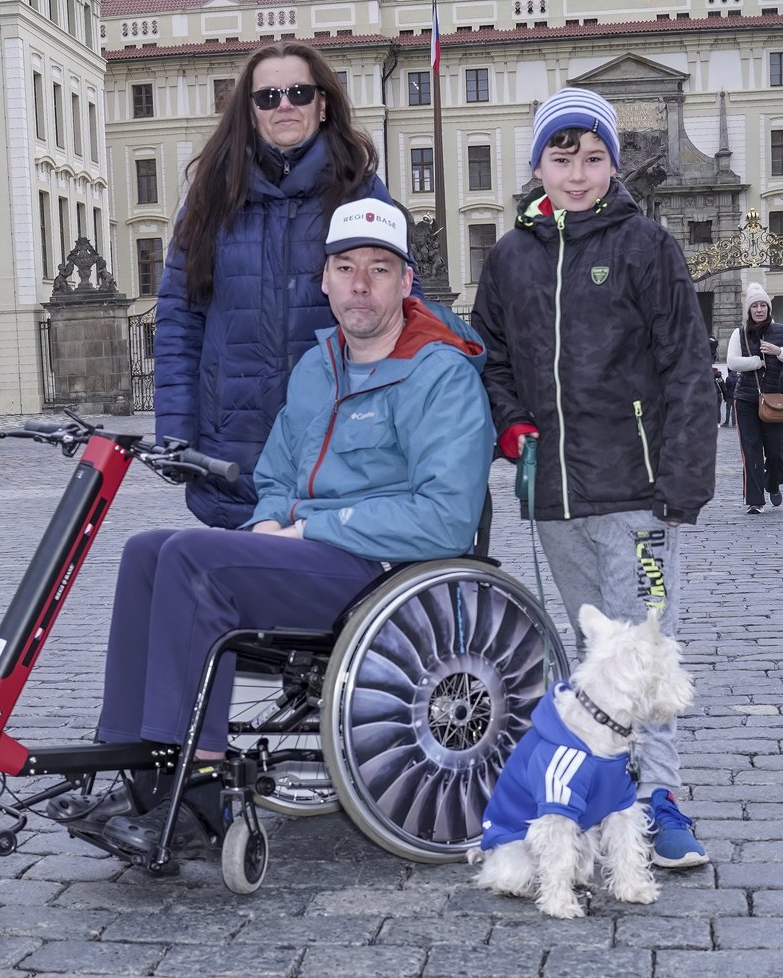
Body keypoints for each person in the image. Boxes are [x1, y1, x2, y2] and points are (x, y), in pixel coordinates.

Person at [50, 199, 495, 853]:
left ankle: (194, 796)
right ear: (325, 280)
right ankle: (135, 766)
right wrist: (266, 524)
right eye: (346, 267)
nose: (360, 284)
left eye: (379, 268)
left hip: (389, 573)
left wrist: (312, 529)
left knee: (194, 561)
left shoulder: (441, 374)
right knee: (148, 551)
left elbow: (447, 519)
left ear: (405, 282)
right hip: (314, 558)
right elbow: (279, 475)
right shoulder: (319, 367)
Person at [471, 87, 717, 869]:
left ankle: (661, 799)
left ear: (614, 163)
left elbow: (687, 363)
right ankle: (586, 798)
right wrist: (511, 424)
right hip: (556, 501)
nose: (577, 175)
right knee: (581, 663)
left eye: (593, 158)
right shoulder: (510, 256)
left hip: (638, 498)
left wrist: (683, 483)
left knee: (644, 647)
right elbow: (491, 356)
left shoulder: (647, 245)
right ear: (538, 162)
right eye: (562, 157)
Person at [154, 41, 411, 531]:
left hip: (334, 438)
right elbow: (178, 320)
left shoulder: (361, 191)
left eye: (297, 91)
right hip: (233, 438)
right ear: (250, 113)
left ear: (323, 103)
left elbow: (401, 306)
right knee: (241, 594)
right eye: (267, 97)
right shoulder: (211, 198)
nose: (284, 104)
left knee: (324, 592)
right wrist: (175, 431)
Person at [726, 283, 783, 514]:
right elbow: (732, 362)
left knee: (777, 451)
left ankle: (772, 484)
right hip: (747, 399)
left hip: (775, 400)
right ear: (749, 310)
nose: (759, 309)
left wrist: (778, 352)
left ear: (768, 309)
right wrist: (756, 362)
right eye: (754, 306)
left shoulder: (780, 330)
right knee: (751, 450)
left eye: (762, 305)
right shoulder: (739, 333)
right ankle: (755, 500)